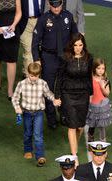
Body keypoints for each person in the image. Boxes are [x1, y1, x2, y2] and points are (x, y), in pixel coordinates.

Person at [31, 0, 78, 129]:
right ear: (49, 4)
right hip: (48, 58)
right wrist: (36, 59)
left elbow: (76, 36)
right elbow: (35, 41)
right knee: (48, 89)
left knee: (65, 87)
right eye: (53, 6)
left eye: (58, 5)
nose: (56, 8)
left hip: (65, 57)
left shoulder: (68, 16)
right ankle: (51, 118)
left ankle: (63, 114)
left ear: (62, 4)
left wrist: (77, 54)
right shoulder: (43, 19)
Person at [11, 61, 61, 166]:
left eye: (36, 76)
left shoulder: (43, 83)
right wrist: (17, 108)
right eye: (31, 75)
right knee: (28, 133)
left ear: (39, 74)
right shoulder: (22, 84)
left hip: (38, 112)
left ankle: (40, 156)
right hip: (27, 113)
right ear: (28, 73)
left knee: (38, 135)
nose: (33, 78)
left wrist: (54, 100)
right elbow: (15, 97)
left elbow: (48, 94)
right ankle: (28, 150)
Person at [54, 33, 93, 156]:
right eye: (75, 45)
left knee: (80, 126)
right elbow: (59, 77)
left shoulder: (89, 58)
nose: (78, 47)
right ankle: (74, 155)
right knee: (72, 126)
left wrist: (91, 94)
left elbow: (89, 77)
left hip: (83, 94)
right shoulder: (65, 57)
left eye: (80, 45)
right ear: (71, 45)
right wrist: (57, 96)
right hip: (68, 94)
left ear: (83, 45)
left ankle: (74, 144)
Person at [0, 0, 22, 99]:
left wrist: (14, 24)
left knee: (11, 60)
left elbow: (19, 12)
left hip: (13, 31)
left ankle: (10, 90)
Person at [86, 57, 112, 142]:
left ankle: (103, 143)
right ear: (94, 68)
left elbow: (107, 93)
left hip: (102, 106)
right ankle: (90, 137)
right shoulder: (90, 79)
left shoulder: (105, 80)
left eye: (103, 68)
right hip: (93, 105)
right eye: (98, 68)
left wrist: (102, 86)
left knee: (102, 126)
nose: (101, 70)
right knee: (92, 124)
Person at [18, 0, 46, 76]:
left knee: (41, 49)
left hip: (41, 21)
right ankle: (29, 77)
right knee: (29, 50)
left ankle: (37, 72)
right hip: (26, 23)